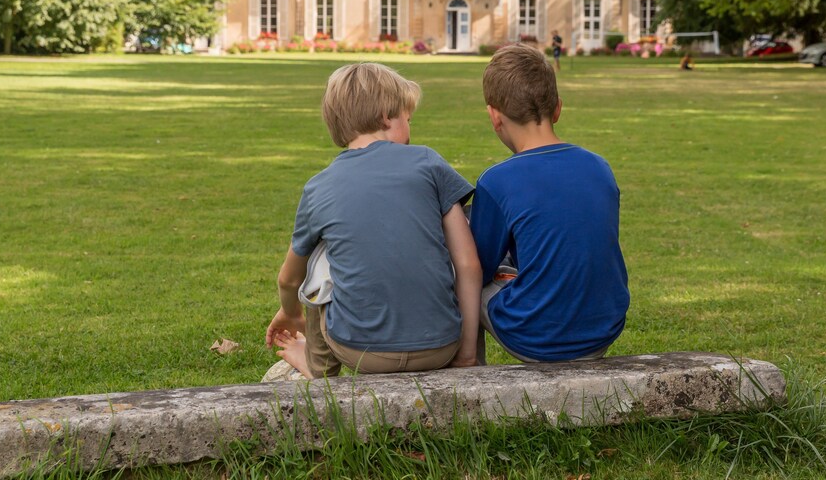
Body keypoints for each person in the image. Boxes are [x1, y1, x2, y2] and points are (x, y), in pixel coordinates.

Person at [266, 63, 481, 378]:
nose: (410, 129)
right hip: (440, 346)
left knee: (319, 258)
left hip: (360, 352)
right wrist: (465, 354)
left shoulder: (319, 186)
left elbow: (289, 279)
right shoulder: (428, 162)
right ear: (386, 116)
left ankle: (319, 366)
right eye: (408, 119)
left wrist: (289, 312)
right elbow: (468, 264)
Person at [470, 44, 629, 363]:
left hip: (538, 337)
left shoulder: (497, 180)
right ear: (557, 108)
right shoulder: (599, 166)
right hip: (604, 328)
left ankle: (470, 373)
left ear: (494, 117)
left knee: (465, 276)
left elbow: (477, 268)